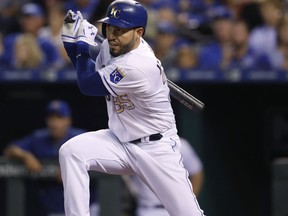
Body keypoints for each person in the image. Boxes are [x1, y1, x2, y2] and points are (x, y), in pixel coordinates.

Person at [59, 0, 205, 216]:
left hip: (156, 148)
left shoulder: (139, 65)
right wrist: (71, 40)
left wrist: (81, 46)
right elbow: (87, 72)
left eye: (120, 30)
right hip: (119, 142)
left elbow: (89, 85)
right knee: (71, 152)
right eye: (109, 27)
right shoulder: (112, 48)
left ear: (139, 32)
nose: (111, 35)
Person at [4, 100, 98, 216]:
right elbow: (10, 150)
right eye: (51, 118)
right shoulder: (39, 138)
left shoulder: (80, 136)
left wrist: (70, 168)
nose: (54, 123)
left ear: (68, 120)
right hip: (54, 208)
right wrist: (25, 156)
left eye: (59, 118)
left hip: (85, 206)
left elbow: (100, 158)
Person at [123, 137, 204, 216]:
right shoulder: (133, 146)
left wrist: (188, 202)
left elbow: (196, 173)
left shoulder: (180, 144)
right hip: (147, 209)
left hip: (176, 209)